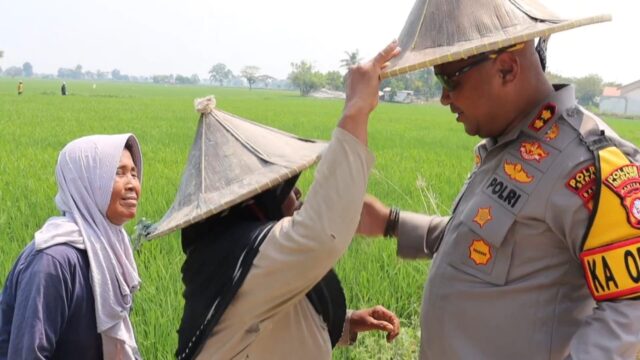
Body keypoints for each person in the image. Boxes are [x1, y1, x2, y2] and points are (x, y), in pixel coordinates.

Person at [357, 0, 640, 359]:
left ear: (506, 69)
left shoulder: (585, 163)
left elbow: (632, 307)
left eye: (450, 79)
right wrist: (390, 222)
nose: (444, 97)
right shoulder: (507, 145)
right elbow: (483, 243)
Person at [143, 42, 402, 359]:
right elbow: (320, 234)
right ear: (254, 204)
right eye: (285, 188)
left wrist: (346, 323)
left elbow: (273, 326)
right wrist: (356, 109)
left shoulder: (236, 261)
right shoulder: (241, 260)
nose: (298, 193)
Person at [0, 134, 144, 359]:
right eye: (118, 173)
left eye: (134, 174)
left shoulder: (111, 251)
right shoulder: (52, 262)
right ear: (87, 182)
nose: (132, 185)